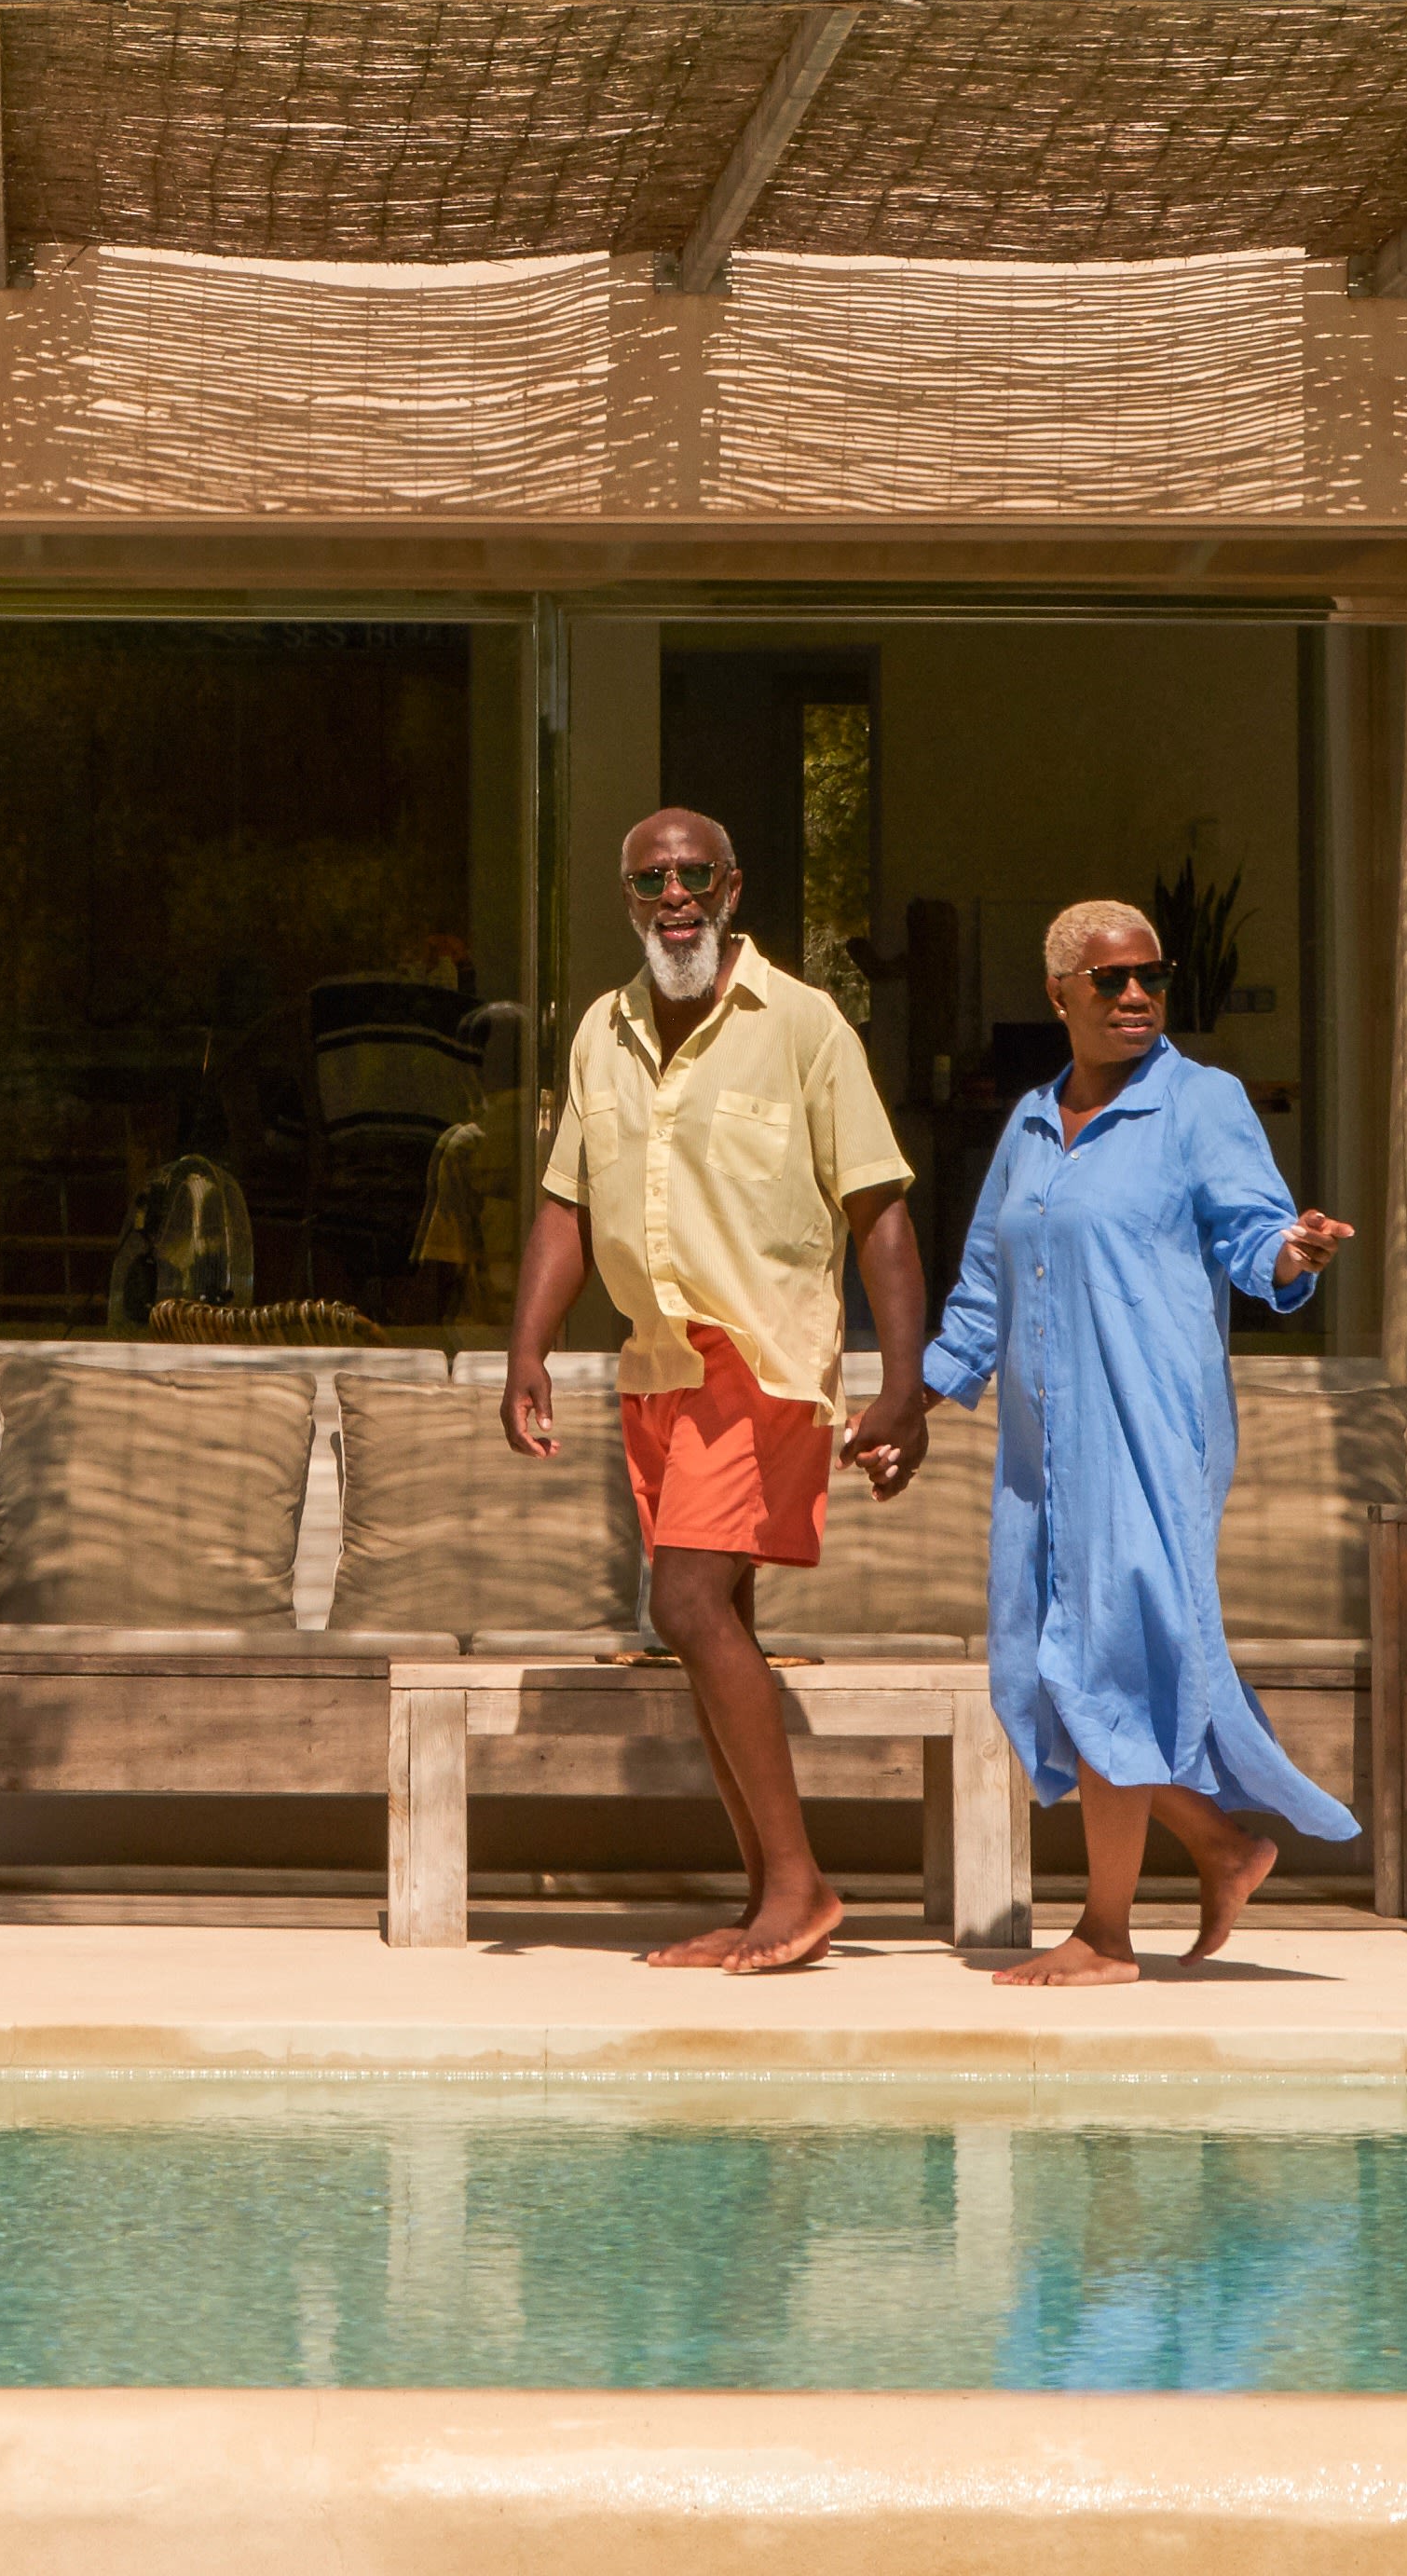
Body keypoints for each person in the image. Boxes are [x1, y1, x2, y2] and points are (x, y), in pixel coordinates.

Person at [502, 803, 934, 1973]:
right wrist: (527, 1347)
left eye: (696, 875)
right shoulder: (602, 1031)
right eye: (653, 880)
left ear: (733, 888)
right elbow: (567, 1204)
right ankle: (768, 1899)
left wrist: (906, 1384)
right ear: (628, 899)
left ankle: (799, 1884)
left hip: (768, 1361)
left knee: (684, 1605)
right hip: (658, 1365)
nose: (676, 896)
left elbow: (878, 1208)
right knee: (714, 1622)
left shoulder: (802, 1024)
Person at [924, 896, 1357, 1984]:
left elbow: (1255, 1230)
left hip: (1150, 1435)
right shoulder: (1029, 1122)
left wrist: (1293, 1256)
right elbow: (983, 1286)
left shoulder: (1199, 1103)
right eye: (1110, 979)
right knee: (1042, 1658)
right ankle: (1222, 1843)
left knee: (1106, 1656)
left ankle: (1106, 1932)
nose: (1134, 995)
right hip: (1043, 1449)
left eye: (1151, 977)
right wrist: (910, 1406)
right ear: (1059, 992)